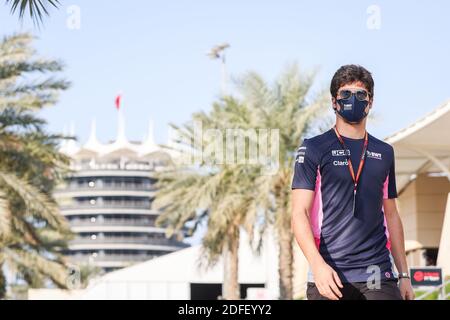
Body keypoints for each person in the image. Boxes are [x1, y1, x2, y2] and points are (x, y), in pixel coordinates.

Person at [291, 64, 415, 300]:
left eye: (361, 94)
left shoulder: (384, 151)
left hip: (377, 272)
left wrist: (404, 275)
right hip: (329, 272)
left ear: (370, 101)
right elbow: (299, 214)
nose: (353, 100)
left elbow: (392, 215)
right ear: (334, 102)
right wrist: (317, 266)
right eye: (345, 94)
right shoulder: (314, 148)